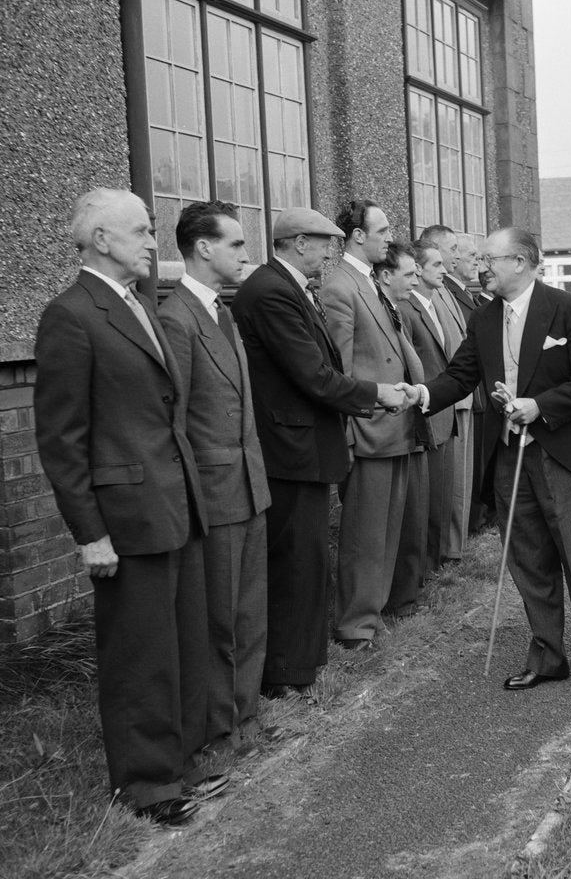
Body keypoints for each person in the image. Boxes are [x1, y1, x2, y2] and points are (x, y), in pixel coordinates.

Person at [34, 188, 215, 826]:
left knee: (180, 643)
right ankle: (146, 786)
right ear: (101, 240)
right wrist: (90, 533)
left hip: (173, 503)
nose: (152, 242)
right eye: (140, 231)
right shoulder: (71, 315)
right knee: (139, 653)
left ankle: (180, 763)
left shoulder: (138, 303)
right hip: (127, 517)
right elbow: (62, 440)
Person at [400, 227, 571, 698]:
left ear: (520, 262)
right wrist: (421, 394)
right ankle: (547, 658)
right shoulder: (484, 317)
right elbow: (460, 375)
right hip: (509, 457)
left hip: (567, 457)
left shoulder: (570, 310)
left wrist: (538, 405)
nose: (482, 267)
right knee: (528, 561)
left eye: (490, 259)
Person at [231, 208, 394, 698]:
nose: (329, 253)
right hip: (289, 449)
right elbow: (312, 374)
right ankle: (284, 671)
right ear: (299, 242)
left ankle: (299, 665)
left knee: (306, 559)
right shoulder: (271, 291)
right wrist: (377, 394)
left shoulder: (288, 286)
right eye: (324, 243)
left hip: (302, 446)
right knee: (294, 562)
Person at [158, 201, 271, 757]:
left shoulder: (221, 312)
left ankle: (244, 715)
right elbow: (173, 421)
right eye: (236, 243)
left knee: (249, 613)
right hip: (215, 492)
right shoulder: (176, 319)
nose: (246, 253)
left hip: (249, 484)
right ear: (203, 248)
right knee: (219, 619)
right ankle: (218, 728)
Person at [321, 201, 428, 648]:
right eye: (381, 230)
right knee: (365, 537)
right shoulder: (340, 287)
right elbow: (341, 372)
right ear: (358, 236)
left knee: (386, 533)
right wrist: (348, 436)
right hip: (368, 431)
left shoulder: (367, 281)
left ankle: (373, 613)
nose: (389, 236)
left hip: (393, 427)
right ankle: (355, 625)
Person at [423, 224, 491, 533]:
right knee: (454, 477)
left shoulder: (458, 292)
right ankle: (461, 533)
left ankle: (466, 530)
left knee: (465, 473)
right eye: (456, 250)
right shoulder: (442, 290)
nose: (477, 261)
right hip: (449, 393)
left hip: (466, 391)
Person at [398, 243, 459, 574]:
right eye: (437, 264)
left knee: (441, 497)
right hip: (424, 413)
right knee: (426, 498)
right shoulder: (407, 309)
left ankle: (436, 562)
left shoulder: (436, 305)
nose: (444, 270)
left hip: (443, 410)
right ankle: (423, 567)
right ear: (418, 270)